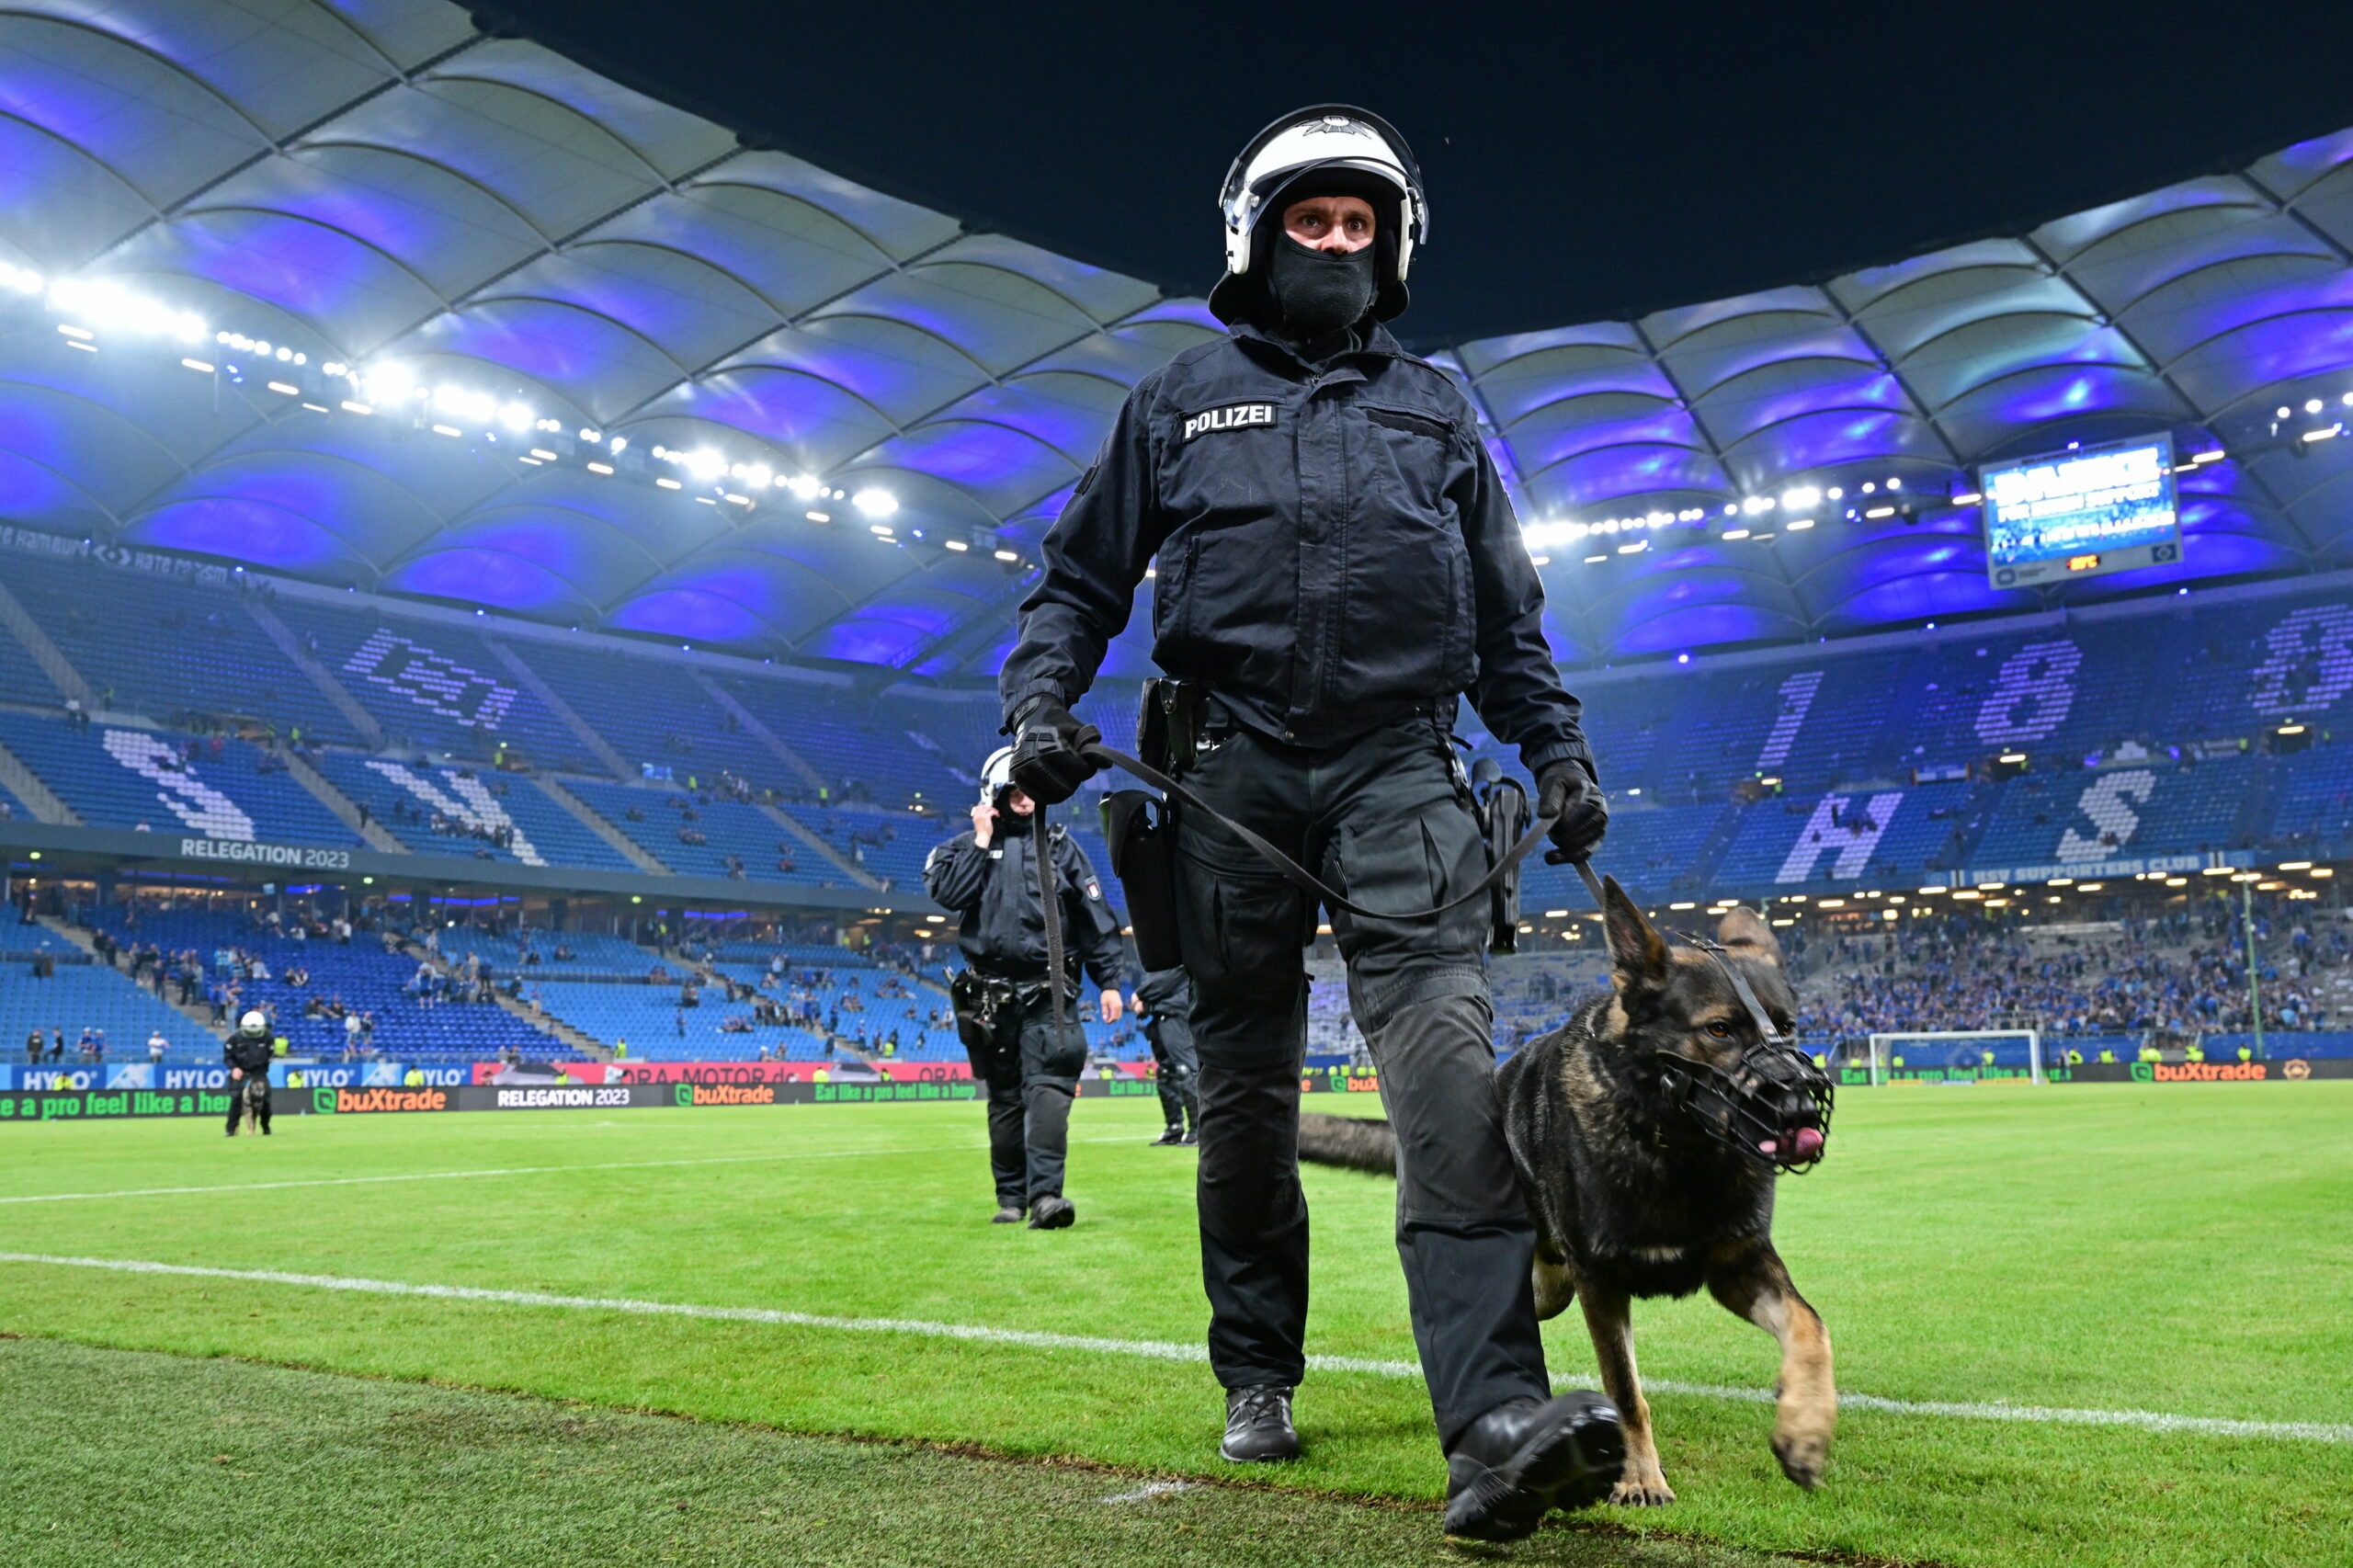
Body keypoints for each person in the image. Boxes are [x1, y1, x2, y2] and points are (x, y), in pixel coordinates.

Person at [995, 106, 1617, 1538]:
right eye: (1310, 221)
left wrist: (1558, 752)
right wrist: (1037, 710)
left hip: (1405, 768)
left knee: (1453, 1088)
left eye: (1360, 225)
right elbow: (1078, 585)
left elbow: (1509, 616)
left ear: (1394, 249)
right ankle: (1257, 1367)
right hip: (1224, 770)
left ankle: (1495, 1424)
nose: (1336, 243)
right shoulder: (1175, 400)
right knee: (1248, 1102)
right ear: (1257, 236)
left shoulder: (1439, 409)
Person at [925, 747, 1132, 1231]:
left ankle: (1045, 1198)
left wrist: (1110, 983)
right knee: (1004, 1101)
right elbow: (949, 894)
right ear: (994, 794)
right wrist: (981, 840)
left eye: (1032, 791)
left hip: (1049, 997)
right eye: (1015, 790)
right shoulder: (963, 848)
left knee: (1048, 1096)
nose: (1024, 799)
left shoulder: (1062, 848)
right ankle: (1010, 1197)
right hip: (989, 1004)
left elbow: (1096, 919)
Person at [1135, 967, 1199, 1145]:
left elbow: (1170, 980)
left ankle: (1197, 1130)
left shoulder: (1180, 954)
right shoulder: (1155, 957)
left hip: (1178, 1013)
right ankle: (1174, 1128)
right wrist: (1146, 1003)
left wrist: (1141, 995)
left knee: (1185, 1070)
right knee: (1165, 1072)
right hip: (1159, 1015)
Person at [223, 1009, 274, 1137]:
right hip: (240, 1071)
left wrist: (262, 1071)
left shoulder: (267, 1037)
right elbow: (228, 1057)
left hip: (259, 1072)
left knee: (265, 1099)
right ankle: (231, 1129)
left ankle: (265, 1126)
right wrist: (234, 1068)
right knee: (236, 1098)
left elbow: (269, 1054)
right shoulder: (234, 1038)